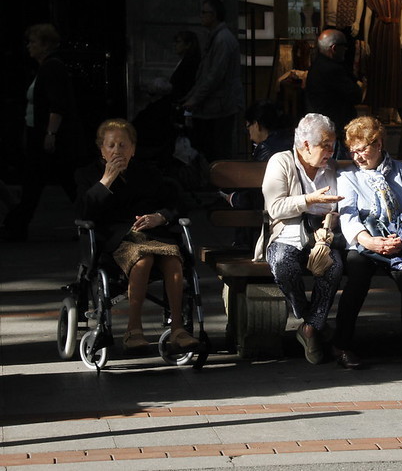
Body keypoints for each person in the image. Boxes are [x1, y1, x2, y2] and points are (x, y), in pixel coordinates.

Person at [75, 119, 199, 354]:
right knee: (143, 260)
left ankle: (178, 329)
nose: (116, 151)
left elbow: (177, 203)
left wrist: (160, 216)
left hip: (151, 234)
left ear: (133, 149)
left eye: (123, 145)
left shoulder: (148, 173)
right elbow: (83, 211)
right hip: (114, 240)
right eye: (111, 146)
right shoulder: (88, 174)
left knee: (173, 260)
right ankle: (133, 329)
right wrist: (107, 180)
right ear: (101, 148)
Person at [335, 116, 402, 370]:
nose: (358, 157)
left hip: (400, 241)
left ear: (379, 144)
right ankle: (341, 344)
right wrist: (369, 241)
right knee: (358, 272)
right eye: (353, 151)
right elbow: (348, 215)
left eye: (362, 149)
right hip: (364, 241)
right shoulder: (348, 177)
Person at [254, 113, 344, 364]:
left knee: (334, 267)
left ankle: (308, 330)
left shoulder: (331, 167)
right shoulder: (280, 161)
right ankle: (312, 321)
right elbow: (275, 208)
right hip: (285, 233)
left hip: (321, 237)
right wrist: (309, 200)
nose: (331, 151)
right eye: (325, 145)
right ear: (306, 145)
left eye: (332, 145)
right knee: (283, 263)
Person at [2, 24, 77, 242]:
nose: (29, 47)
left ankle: (17, 225)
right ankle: (17, 224)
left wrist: (50, 134)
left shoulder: (52, 67)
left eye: (33, 42)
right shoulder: (45, 67)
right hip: (43, 137)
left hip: (50, 139)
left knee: (46, 183)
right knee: (42, 183)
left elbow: (57, 105)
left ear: (45, 45)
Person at [221, 100, 293, 249]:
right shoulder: (292, 140)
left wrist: (235, 198)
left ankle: (242, 245)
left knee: (242, 204)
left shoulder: (265, 149)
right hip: (292, 207)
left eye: (248, 127)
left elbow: (256, 195)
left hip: (269, 210)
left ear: (257, 124)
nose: (250, 135)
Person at [182, 0, 244, 163]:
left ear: (214, 15)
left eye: (204, 12)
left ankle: (219, 183)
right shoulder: (217, 37)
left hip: (219, 105)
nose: (201, 16)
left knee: (217, 149)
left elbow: (215, 75)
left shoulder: (222, 39)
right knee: (214, 148)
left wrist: (195, 98)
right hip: (216, 104)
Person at [134, 30, 201, 163]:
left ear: (188, 45)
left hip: (177, 105)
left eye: (178, 42)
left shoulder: (190, 64)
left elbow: (183, 87)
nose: (175, 45)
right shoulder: (185, 62)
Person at [304, 29, 364, 152]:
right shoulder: (333, 70)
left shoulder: (317, 65)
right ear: (334, 48)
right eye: (344, 46)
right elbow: (356, 95)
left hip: (322, 128)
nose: (346, 50)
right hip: (335, 130)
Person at [363, 0, 402, 118]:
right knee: (378, 69)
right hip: (379, 33)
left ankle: (394, 109)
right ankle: (376, 108)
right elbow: (367, 18)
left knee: (394, 70)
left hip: (394, 32)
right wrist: (366, 40)